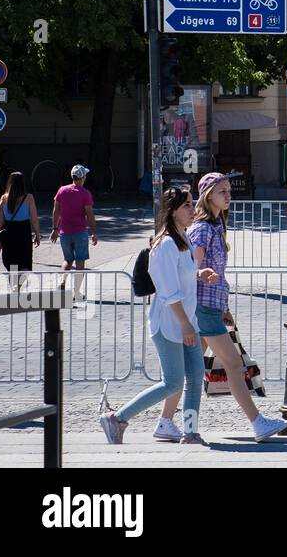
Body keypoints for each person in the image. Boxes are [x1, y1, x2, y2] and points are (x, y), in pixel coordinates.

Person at [187, 173, 287, 441]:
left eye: (229, 190)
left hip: (211, 306)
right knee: (233, 364)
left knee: (187, 371)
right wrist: (200, 275)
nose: (228, 195)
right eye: (222, 191)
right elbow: (190, 267)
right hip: (203, 307)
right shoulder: (202, 229)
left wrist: (224, 306)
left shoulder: (216, 226)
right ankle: (258, 423)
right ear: (208, 195)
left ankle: (154, 420)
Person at [100, 187, 205, 445]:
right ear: (172, 211)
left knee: (195, 376)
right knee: (172, 383)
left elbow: (181, 278)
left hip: (186, 321)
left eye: (192, 204)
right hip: (171, 324)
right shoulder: (166, 244)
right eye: (187, 206)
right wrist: (185, 325)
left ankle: (190, 432)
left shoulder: (184, 239)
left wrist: (200, 275)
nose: (193, 210)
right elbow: (169, 291)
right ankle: (118, 417)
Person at [51, 165, 97, 303]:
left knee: (67, 260)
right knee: (80, 262)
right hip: (80, 232)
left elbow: (55, 210)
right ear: (83, 177)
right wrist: (94, 231)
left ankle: (62, 282)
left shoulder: (62, 191)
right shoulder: (85, 193)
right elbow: (89, 213)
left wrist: (54, 228)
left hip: (64, 232)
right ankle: (76, 292)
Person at [0, 172, 41, 289]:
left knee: (12, 265)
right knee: (25, 264)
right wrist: (37, 234)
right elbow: (34, 219)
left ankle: (14, 289)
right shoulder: (28, 198)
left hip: (8, 234)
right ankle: (17, 287)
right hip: (23, 233)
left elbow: (0, 222)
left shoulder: (3, 198)